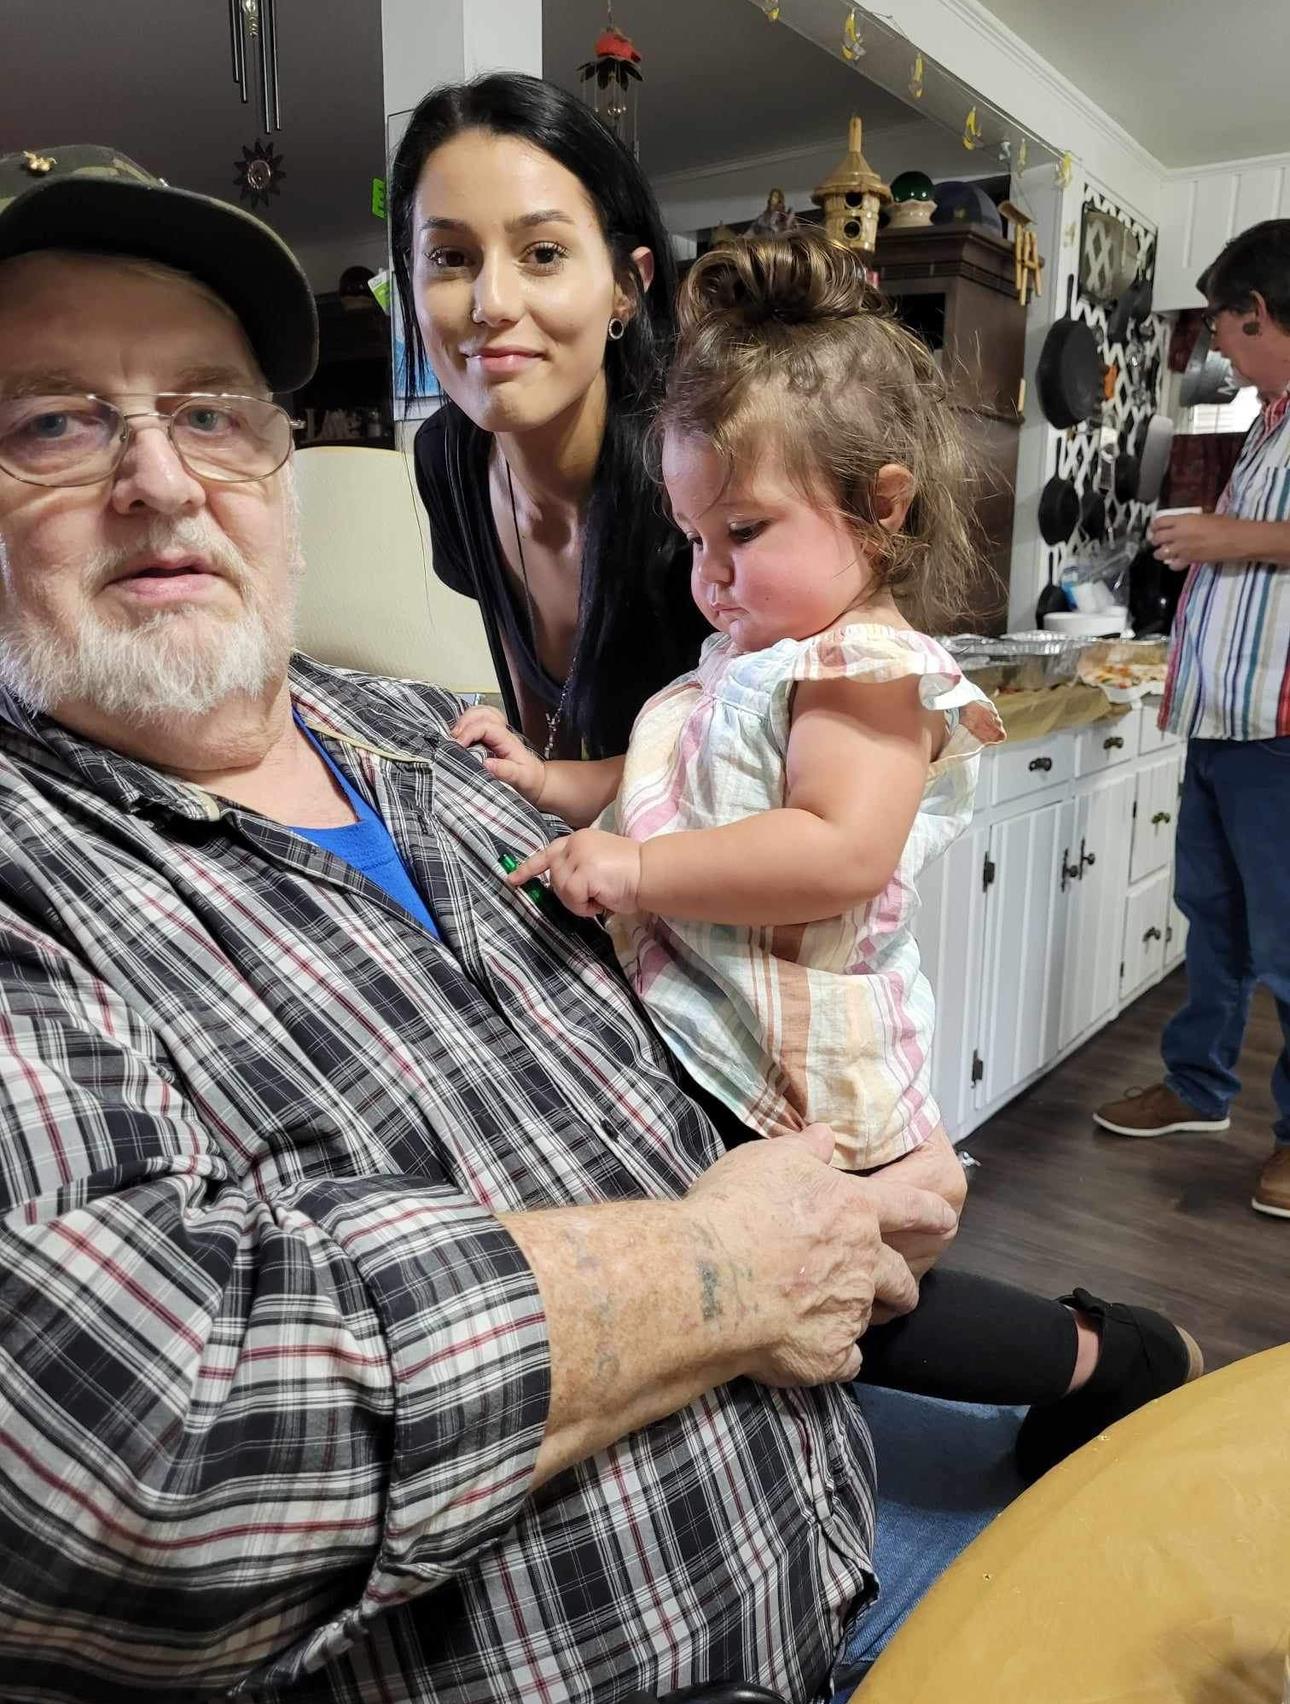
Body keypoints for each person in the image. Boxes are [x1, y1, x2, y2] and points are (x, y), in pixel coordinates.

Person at [0, 144, 977, 1704]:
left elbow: (710, 1000)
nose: (162, 480)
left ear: (276, 465)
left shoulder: (424, 736)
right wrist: (721, 1269)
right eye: (53, 422)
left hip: (817, 1616)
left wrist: (856, 1186)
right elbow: (136, 1470)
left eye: (207, 414)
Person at [456, 229, 1202, 1488]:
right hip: (720, 1020)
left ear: (884, 504)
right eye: (693, 537)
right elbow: (663, 790)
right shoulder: (747, 656)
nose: (709, 576)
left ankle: (1110, 1358)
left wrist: (634, 878)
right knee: (757, 1288)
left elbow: (836, 851)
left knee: (856, 1303)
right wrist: (551, 783)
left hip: (802, 1053)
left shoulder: (862, 671)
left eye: (742, 529)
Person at [392, 72, 711, 761]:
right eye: (449, 257)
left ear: (626, 287)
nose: (493, 302)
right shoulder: (448, 459)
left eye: (543, 254)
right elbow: (545, 737)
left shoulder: (702, 476)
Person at [1095, 220, 1290, 1221]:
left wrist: (1231, 535)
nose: (1221, 350)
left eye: (1227, 329)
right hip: (1224, 721)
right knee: (1213, 920)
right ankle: (1199, 1088)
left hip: (1284, 732)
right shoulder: (1270, 420)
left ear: (1259, 314)